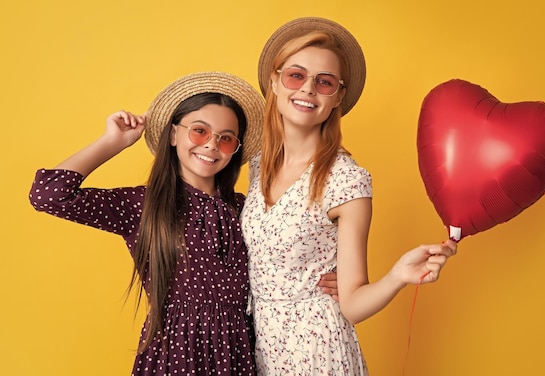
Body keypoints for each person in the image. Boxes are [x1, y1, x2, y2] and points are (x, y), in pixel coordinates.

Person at [28, 71, 338, 375]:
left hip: (240, 353)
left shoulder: (246, 208)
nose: (212, 145)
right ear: (174, 134)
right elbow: (48, 195)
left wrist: (335, 280)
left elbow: (291, 256)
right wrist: (113, 142)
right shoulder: (144, 205)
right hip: (174, 355)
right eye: (199, 131)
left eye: (226, 139)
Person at [241, 17, 458, 375]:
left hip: (315, 350)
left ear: (337, 97)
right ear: (275, 83)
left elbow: (352, 302)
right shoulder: (257, 165)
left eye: (324, 82)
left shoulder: (346, 180)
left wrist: (398, 275)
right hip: (261, 345)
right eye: (296, 75)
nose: (308, 89)